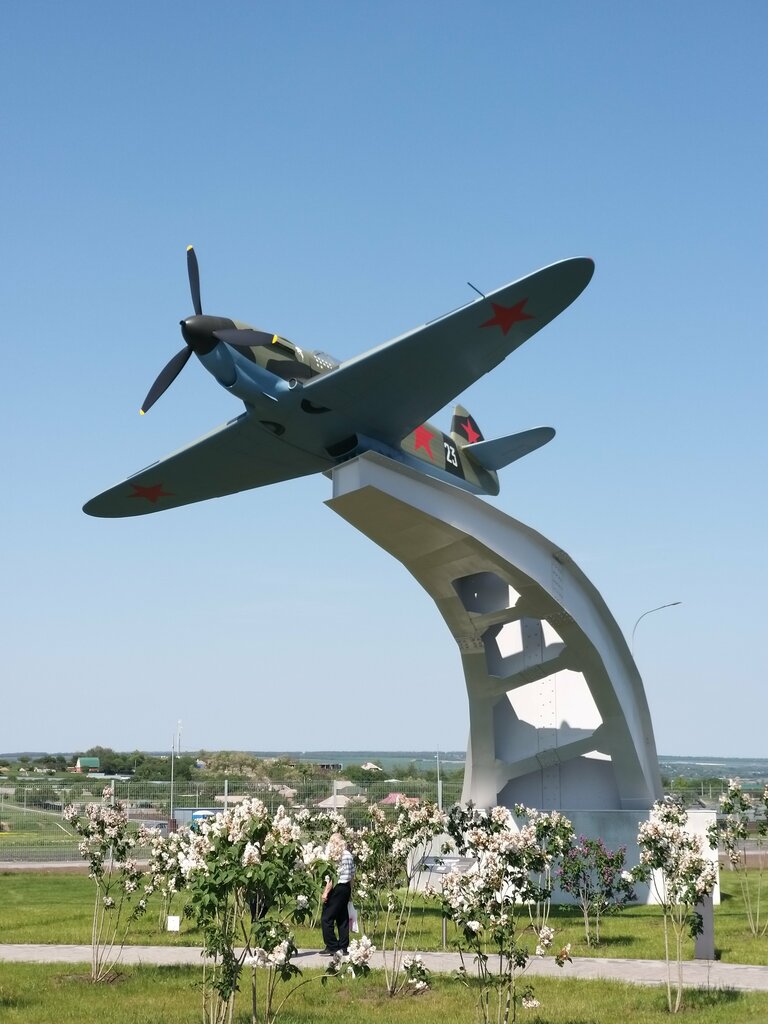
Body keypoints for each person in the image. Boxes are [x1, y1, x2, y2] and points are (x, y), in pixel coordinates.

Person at [320, 832, 354, 954]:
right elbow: (352, 875)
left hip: (337, 888)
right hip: (346, 888)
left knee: (326, 918)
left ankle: (332, 946)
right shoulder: (349, 855)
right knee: (342, 917)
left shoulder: (335, 856)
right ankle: (344, 946)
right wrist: (350, 892)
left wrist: (325, 893)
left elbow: (332, 877)